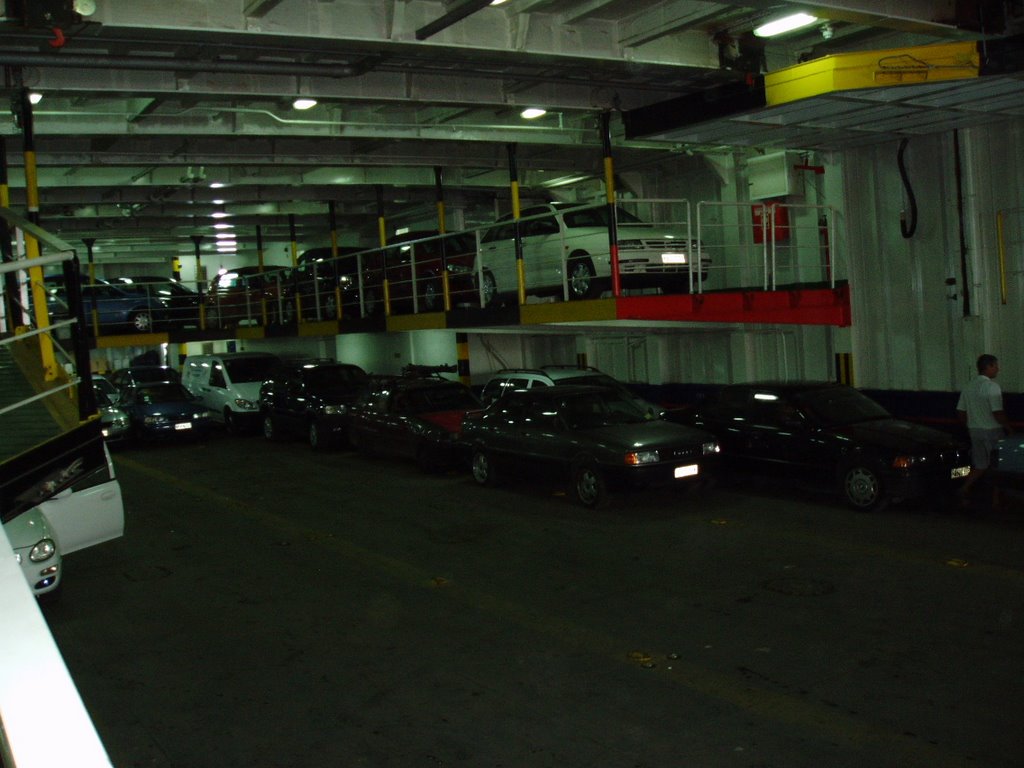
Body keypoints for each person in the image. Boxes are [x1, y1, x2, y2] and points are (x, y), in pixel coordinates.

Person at [956, 354, 1013, 505]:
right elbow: (997, 412)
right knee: (997, 465)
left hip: (974, 431)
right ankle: (995, 499)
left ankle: (964, 488)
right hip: (992, 430)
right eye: (995, 365)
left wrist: (970, 425)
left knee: (980, 464)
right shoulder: (992, 387)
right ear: (988, 367)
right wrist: (1009, 429)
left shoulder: (968, 386)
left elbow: (961, 411)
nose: (998, 369)